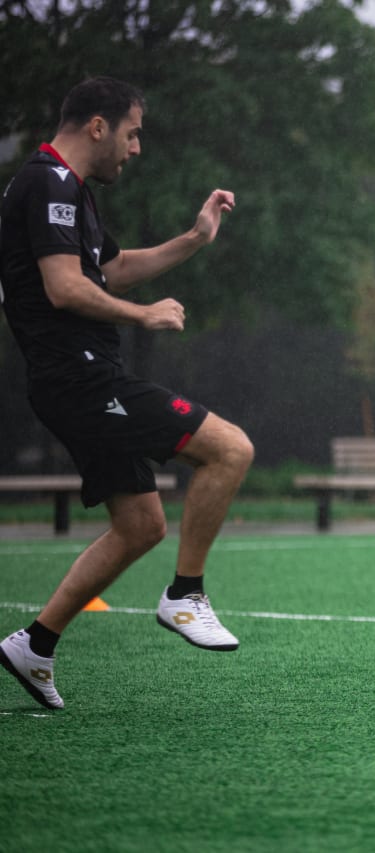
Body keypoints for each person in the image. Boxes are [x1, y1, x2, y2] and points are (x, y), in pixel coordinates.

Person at [0, 77, 254, 710]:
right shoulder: (48, 183)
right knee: (230, 450)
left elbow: (108, 270)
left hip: (76, 378)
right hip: (81, 378)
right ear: (97, 126)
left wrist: (194, 239)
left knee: (140, 524)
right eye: (133, 132)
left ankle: (35, 644)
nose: (135, 148)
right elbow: (64, 288)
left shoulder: (71, 190)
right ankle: (185, 596)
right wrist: (143, 316)